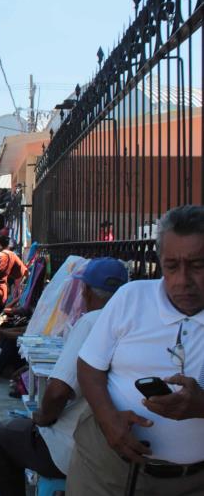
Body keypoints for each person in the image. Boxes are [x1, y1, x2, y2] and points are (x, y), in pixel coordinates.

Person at [69, 205, 204, 495]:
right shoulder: (131, 298)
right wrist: (108, 419)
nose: (183, 280)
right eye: (171, 266)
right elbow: (89, 366)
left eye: (197, 265)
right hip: (104, 469)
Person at [0, 257, 129, 495]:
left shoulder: (92, 322)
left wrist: (42, 418)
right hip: (119, 443)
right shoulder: (134, 321)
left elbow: (58, 391)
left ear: (84, 291)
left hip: (78, 449)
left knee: (3, 435)